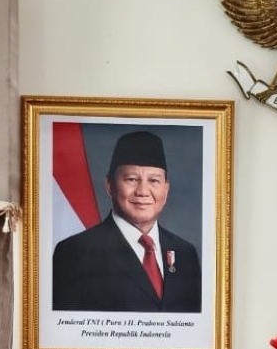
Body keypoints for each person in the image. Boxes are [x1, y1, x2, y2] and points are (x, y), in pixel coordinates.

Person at [53, 130, 202, 312]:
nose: (143, 191)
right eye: (132, 179)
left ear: (166, 190)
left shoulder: (185, 253)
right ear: (110, 185)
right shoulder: (75, 252)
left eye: (154, 180)